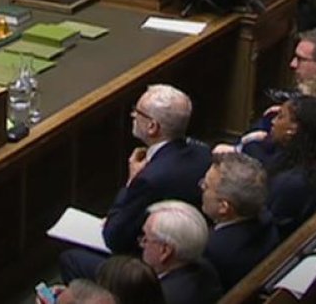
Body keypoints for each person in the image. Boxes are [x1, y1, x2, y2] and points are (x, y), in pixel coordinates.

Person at [59, 84, 211, 281]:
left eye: (138, 112)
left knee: (70, 258)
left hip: (150, 261)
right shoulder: (203, 153)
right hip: (188, 245)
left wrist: (132, 181)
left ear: (152, 126)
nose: (132, 115)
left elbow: (114, 237)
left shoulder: (149, 179)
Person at [246, 95, 316, 235]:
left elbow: (268, 230)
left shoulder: (292, 183)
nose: (273, 121)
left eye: (280, 117)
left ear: (293, 129)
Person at [199, 152, 279, 290]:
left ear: (223, 207)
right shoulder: (266, 218)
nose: (200, 187)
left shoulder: (212, 251)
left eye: (205, 186)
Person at [139, 201, 223, 304]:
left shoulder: (161, 298)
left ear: (165, 251)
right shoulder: (207, 268)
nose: (142, 244)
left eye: (146, 239)